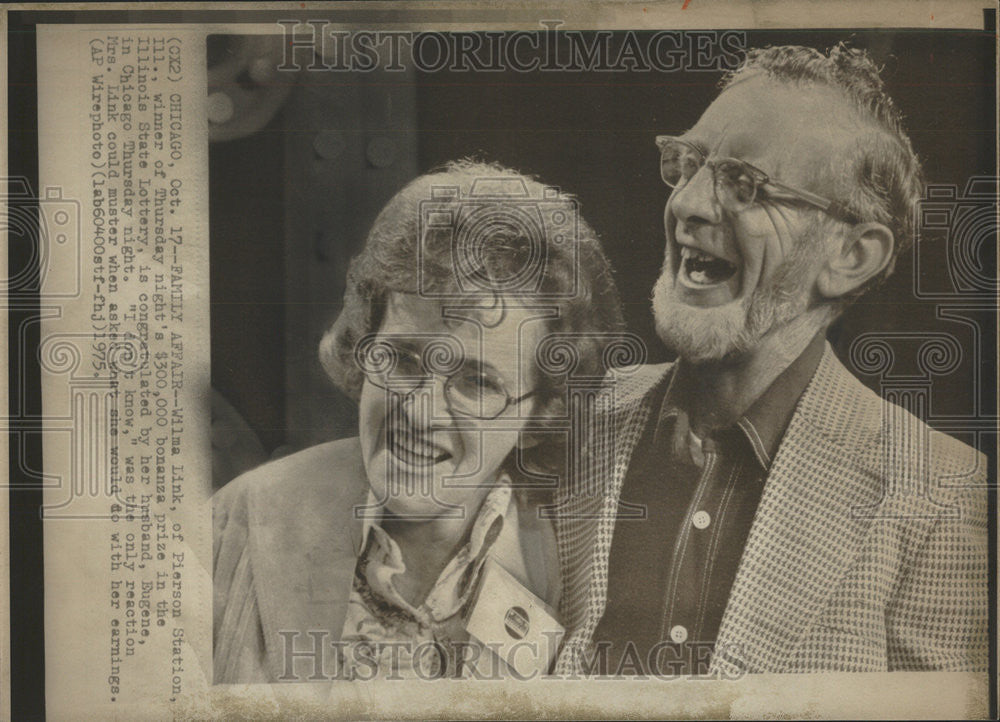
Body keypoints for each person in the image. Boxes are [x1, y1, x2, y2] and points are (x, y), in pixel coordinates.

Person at [553, 44, 988, 676]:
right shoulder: (571, 418)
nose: (689, 204)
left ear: (851, 257)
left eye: (744, 184)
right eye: (688, 164)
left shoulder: (942, 497)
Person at [213, 160, 624, 682]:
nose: (419, 410)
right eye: (403, 359)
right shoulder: (237, 525)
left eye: (477, 383)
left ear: (543, 410)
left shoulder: (580, 571)